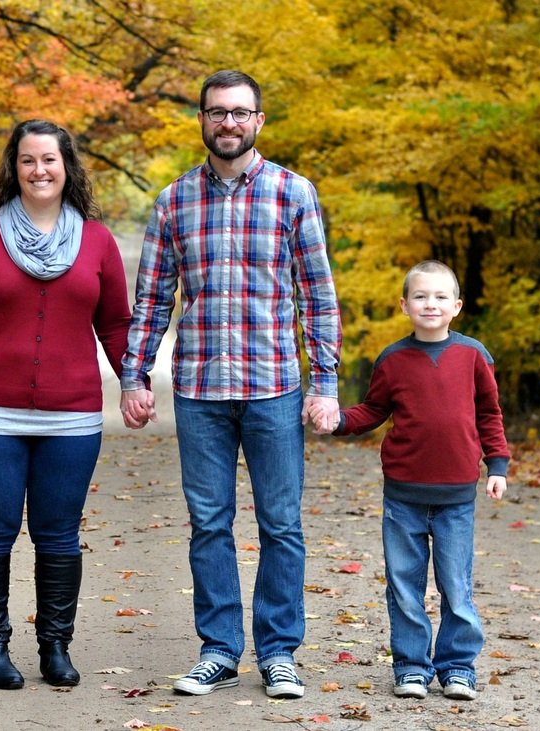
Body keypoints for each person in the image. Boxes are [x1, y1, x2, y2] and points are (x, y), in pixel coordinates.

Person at [120, 70, 342, 700]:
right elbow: (152, 299)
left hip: (274, 385)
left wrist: (324, 384)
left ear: (258, 121)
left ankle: (278, 653)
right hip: (199, 390)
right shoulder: (174, 201)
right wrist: (135, 376)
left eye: (240, 113)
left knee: (281, 524)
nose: (228, 123)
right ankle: (218, 649)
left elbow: (318, 297)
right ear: (202, 120)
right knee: (209, 523)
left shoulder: (294, 194)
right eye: (217, 113)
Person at [0, 119, 131, 690]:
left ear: (67, 166)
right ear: (13, 167)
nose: (39, 170)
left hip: (72, 416)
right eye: (27, 160)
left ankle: (55, 646)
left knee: (59, 534)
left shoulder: (96, 241)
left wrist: (134, 382)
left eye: (49, 159)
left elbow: (115, 323)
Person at [309, 260, 510, 701]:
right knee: (404, 585)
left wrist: (497, 466)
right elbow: (373, 411)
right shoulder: (393, 359)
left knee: (456, 585)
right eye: (420, 296)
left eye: (440, 297)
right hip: (403, 496)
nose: (430, 304)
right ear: (405, 305)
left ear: (456, 306)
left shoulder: (474, 356)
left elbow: (489, 415)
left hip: (457, 495)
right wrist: (337, 420)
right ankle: (411, 667)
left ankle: (457, 667)